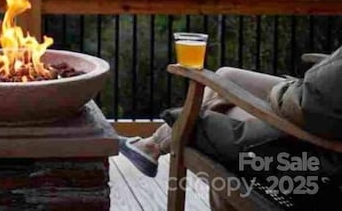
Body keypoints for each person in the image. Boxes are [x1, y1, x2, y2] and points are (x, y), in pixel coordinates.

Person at [120, 46, 342, 178]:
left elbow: (304, 106)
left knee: (220, 100)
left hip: (307, 126)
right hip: (316, 104)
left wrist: (278, 91)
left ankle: (154, 145)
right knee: (226, 75)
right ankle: (153, 145)